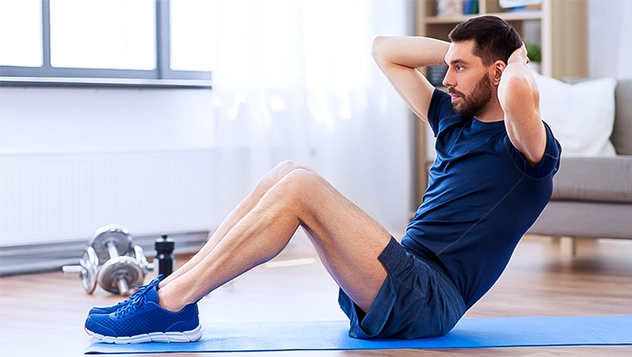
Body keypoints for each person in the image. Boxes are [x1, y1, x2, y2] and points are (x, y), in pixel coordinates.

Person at [85, 15, 561, 343]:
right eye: (448, 67)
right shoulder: (454, 119)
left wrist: (513, 56)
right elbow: (385, 51)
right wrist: (463, 50)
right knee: (287, 173)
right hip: (393, 280)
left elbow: (519, 91)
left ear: (497, 73)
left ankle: (170, 306)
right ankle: (173, 292)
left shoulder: (526, 148)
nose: (447, 78)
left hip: (428, 301)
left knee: (302, 188)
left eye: (459, 68)